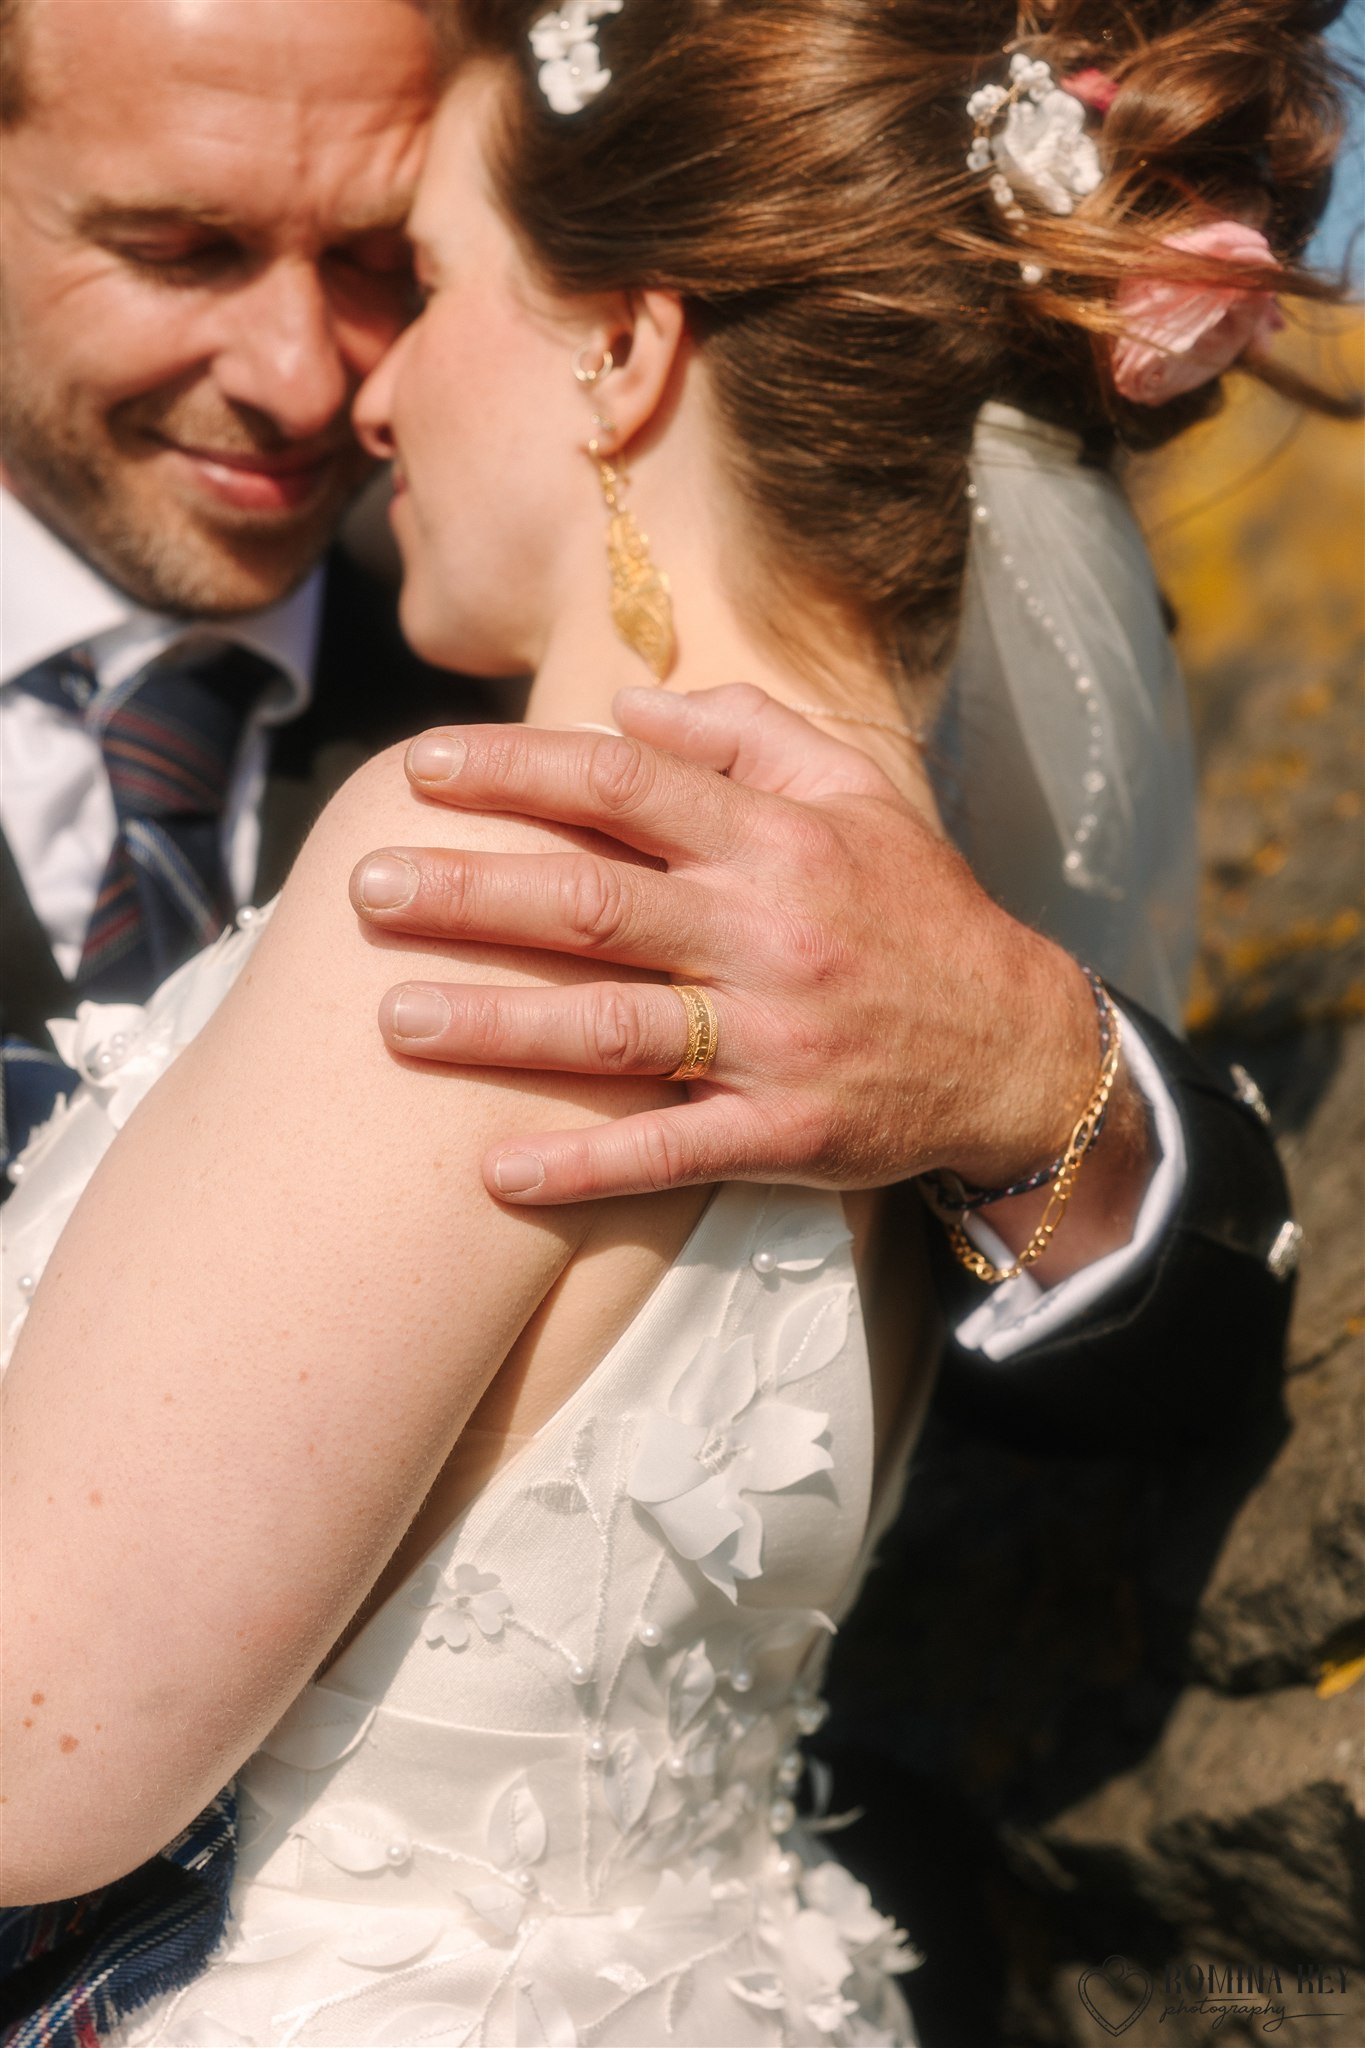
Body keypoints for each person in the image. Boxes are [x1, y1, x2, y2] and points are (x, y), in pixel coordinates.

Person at [3, 3, 1349, 2043]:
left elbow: (36, 1755)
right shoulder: (875, 812)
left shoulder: (527, 857)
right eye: (180, 247)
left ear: (621, 348)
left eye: (403, 270)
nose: (330, 383)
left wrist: (1028, 1070)